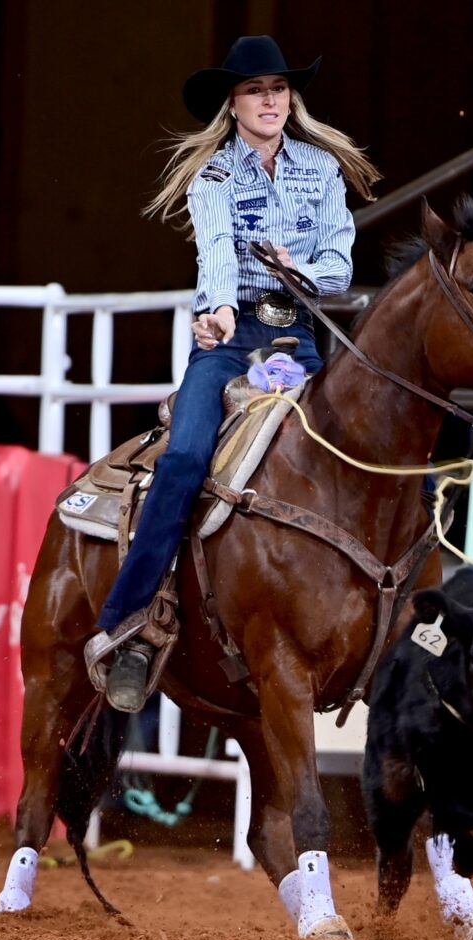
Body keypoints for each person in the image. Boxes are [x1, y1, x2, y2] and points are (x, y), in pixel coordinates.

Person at [96, 35, 381, 713]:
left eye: (277, 89)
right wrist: (220, 309)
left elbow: (339, 260)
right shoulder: (214, 177)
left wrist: (298, 270)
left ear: (291, 98)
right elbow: (216, 254)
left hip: (295, 335)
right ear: (233, 103)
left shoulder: (321, 170)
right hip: (230, 340)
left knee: (355, 455)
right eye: (255, 90)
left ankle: (375, 617)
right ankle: (130, 623)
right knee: (185, 457)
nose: (269, 100)